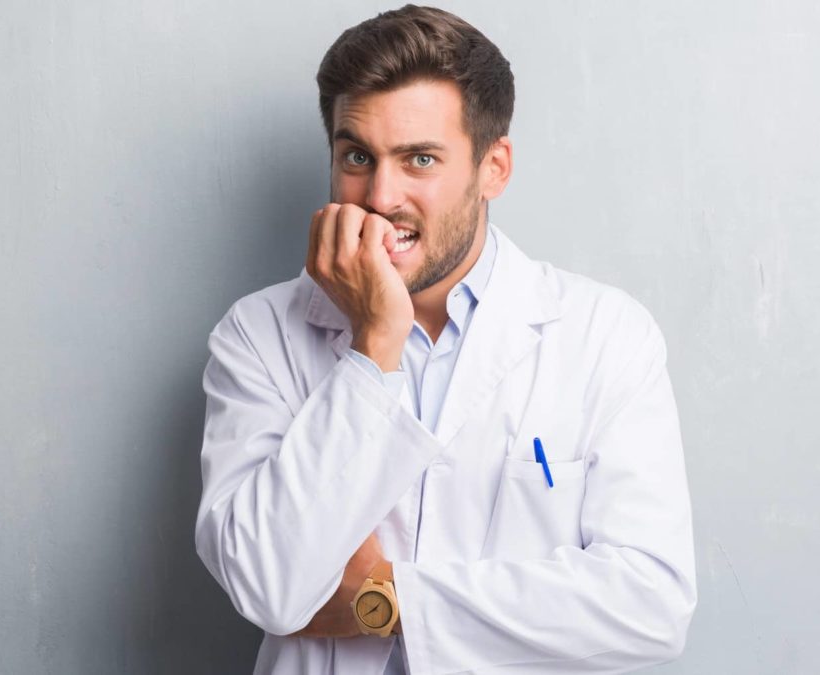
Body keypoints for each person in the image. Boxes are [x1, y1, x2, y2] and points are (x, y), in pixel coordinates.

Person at [194, 5, 696, 673]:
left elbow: (649, 604)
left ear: (494, 167)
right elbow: (267, 585)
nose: (380, 195)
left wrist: (388, 596)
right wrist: (373, 346)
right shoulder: (257, 336)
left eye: (420, 159)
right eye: (356, 156)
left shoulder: (606, 335)